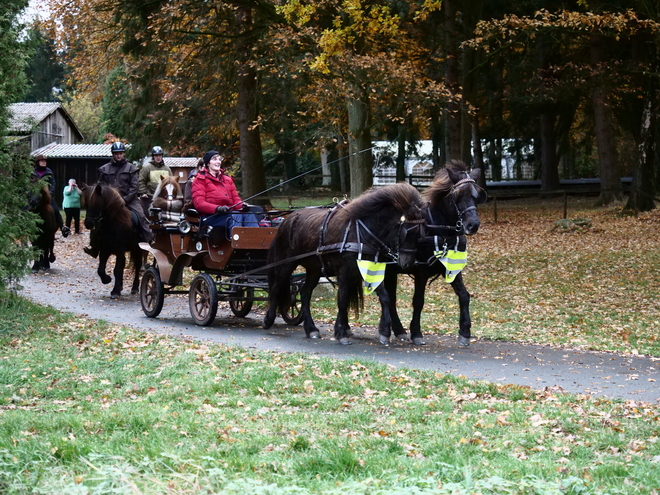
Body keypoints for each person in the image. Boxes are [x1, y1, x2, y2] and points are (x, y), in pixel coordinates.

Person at [84, 142, 153, 258]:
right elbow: (100, 186)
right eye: (116, 154)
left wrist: (125, 200)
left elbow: (134, 187)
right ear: (113, 154)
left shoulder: (132, 168)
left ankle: (147, 240)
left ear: (123, 154)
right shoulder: (104, 169)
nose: (119, 156)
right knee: (96, 218)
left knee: (141, 216)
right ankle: (94, 246)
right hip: (110, 203)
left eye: (120, 153)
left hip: (129, 200)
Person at [191, 149, 261, 232]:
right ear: (208, 163)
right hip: (210, 216)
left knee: (249, 215)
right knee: (235, 216)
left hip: (229, 213)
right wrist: (217, 208)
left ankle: (255, 241)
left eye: (219, 159)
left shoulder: (227, 180)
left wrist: (242, 206)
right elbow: (199, 204)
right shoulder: (199, 180)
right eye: (214, 159)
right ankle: (236, 242)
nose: (218, 162)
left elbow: (236, 200)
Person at [31, 154, 70, 237]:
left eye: (45, 161)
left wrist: (50, 193)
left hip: (46, 195)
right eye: (42, 161)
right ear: (38, 162)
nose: (44, 162)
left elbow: (53, 183)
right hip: (34, 195)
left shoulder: (49, 171)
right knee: (26, 207)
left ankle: (62, 227)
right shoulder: (33, 172)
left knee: (55, 209)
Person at [139, 145, 172, 215]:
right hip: (150, 197)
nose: (158, 157)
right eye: (156, 155)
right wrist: (143, 192)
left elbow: (171, 182)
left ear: (162, 156)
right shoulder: (147, 168)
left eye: (159, 155)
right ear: (153, 156)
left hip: (164, 198)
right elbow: (141, 180)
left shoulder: (167, 169)